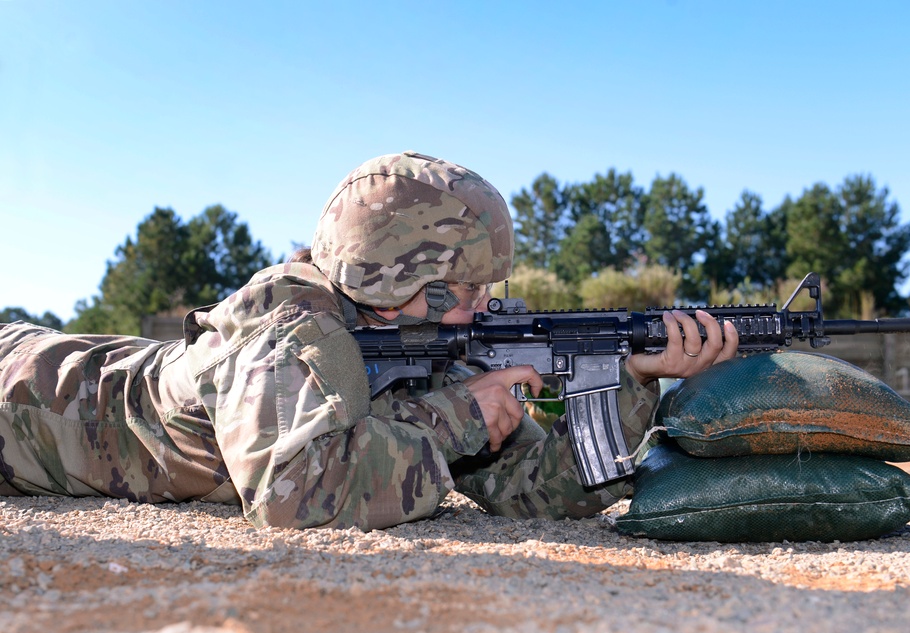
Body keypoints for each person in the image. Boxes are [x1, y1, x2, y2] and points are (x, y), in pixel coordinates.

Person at [0, 151, 738, 531]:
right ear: (397, 279)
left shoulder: (416, 343)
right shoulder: (294, 327)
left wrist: (633, 382)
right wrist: (458, 419)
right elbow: (295, 501)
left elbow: (529, 494)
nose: (485, 308)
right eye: (467, 290)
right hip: (27, 397)